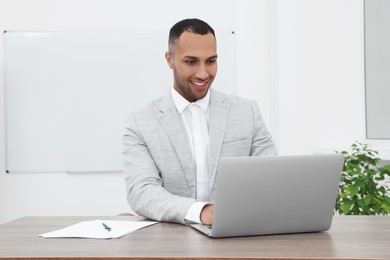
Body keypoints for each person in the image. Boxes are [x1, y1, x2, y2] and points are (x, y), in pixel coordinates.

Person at [123, 18, 276, 225]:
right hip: (172, 240)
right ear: (170, 59)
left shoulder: (247, 112)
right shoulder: (140, 122)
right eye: (191, 61)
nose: (203, 73)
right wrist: (201, 211)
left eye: (211, 61)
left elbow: (270, 178)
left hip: (237, 235)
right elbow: (141, 192)